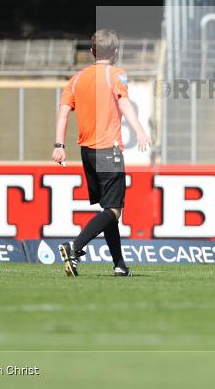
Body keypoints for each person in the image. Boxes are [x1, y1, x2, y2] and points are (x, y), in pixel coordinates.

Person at [55, 30, 150, 278]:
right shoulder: (116, 74)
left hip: (87, 152)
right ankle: (74, 247)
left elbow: (64, 113)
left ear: (91, 51)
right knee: (114, 210)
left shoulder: (76, 79)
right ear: (115, 52)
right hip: (109, 149)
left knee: (109, 209)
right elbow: (124, 103)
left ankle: (119, 265)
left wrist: (59, 145)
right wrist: (139, 130)